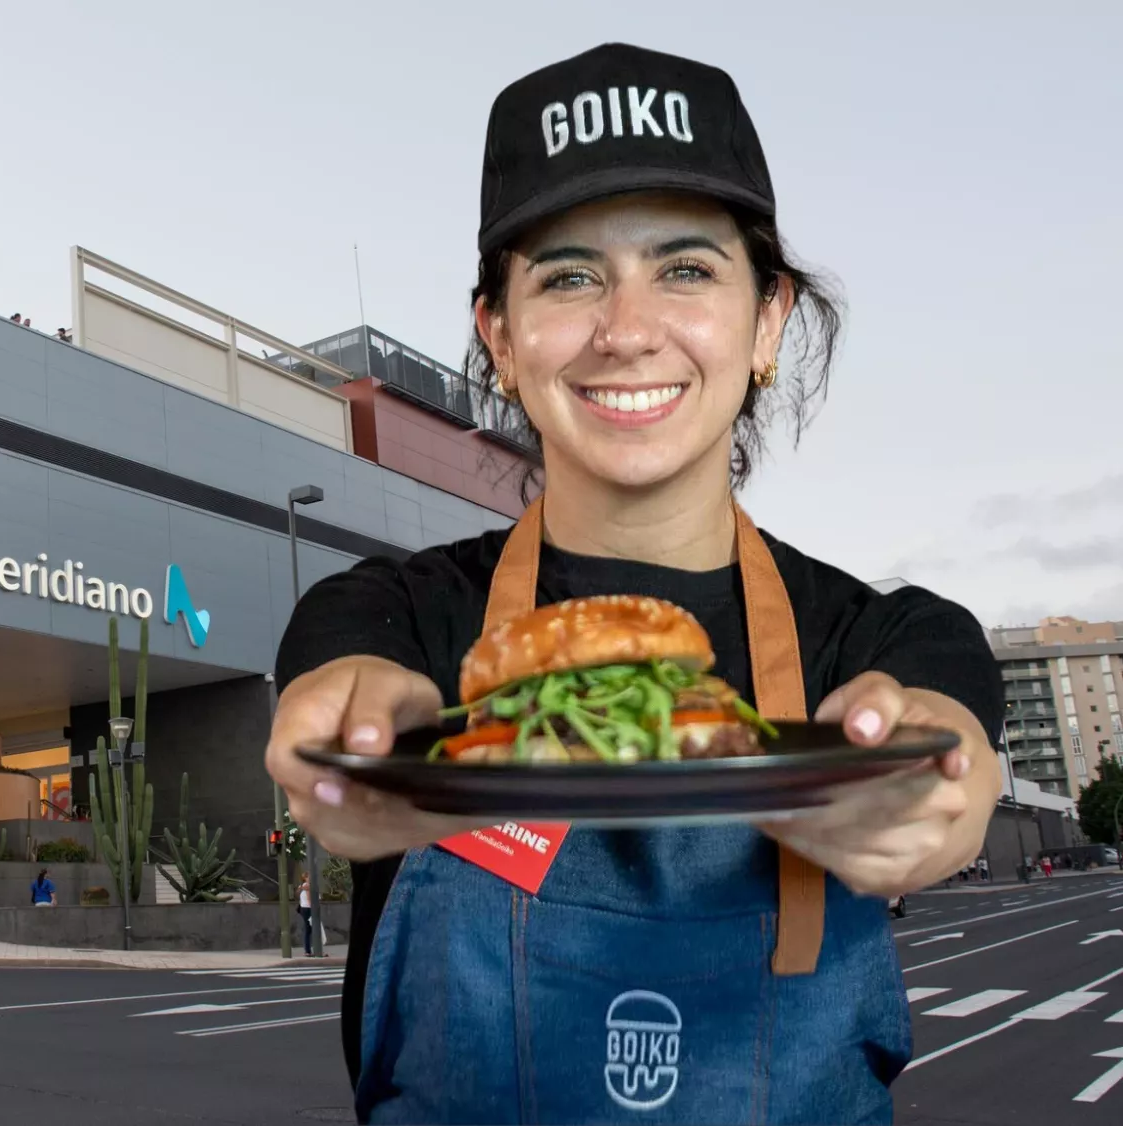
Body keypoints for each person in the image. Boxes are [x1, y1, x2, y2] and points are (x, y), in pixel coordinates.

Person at [266, 43, 1001, 1125]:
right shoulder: (396, 617)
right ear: (500, 335)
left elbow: (946, 746)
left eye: (686, 269)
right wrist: (354, 737)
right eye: (569, 277)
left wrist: (924, 780)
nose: (625, 331)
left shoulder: (883, 638)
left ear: (766, 319)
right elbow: (343, 686)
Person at [297, 872, 315, 956]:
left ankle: (308, 950)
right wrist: (313, 908)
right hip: (308, 909)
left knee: (308, 929)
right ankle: (308, 950)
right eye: (309, 877)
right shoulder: (307, 886)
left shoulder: (302, 886)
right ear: (306, 878)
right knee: (309, 930)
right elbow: (309, 899)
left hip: (304, 909)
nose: (310, 878)